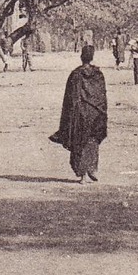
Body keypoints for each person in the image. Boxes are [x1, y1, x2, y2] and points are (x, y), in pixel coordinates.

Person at [50, 44, 108, 183]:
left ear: (81, 57)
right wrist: (102, 112)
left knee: (79, 141)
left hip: (80, 112)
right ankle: (92, 169)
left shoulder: (75, 74)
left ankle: (82, 174)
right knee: (92, 140)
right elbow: (102, 95)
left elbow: (69, 98)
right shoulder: (98, 74)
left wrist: (68, 119)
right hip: (95, 112)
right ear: (92, 57)